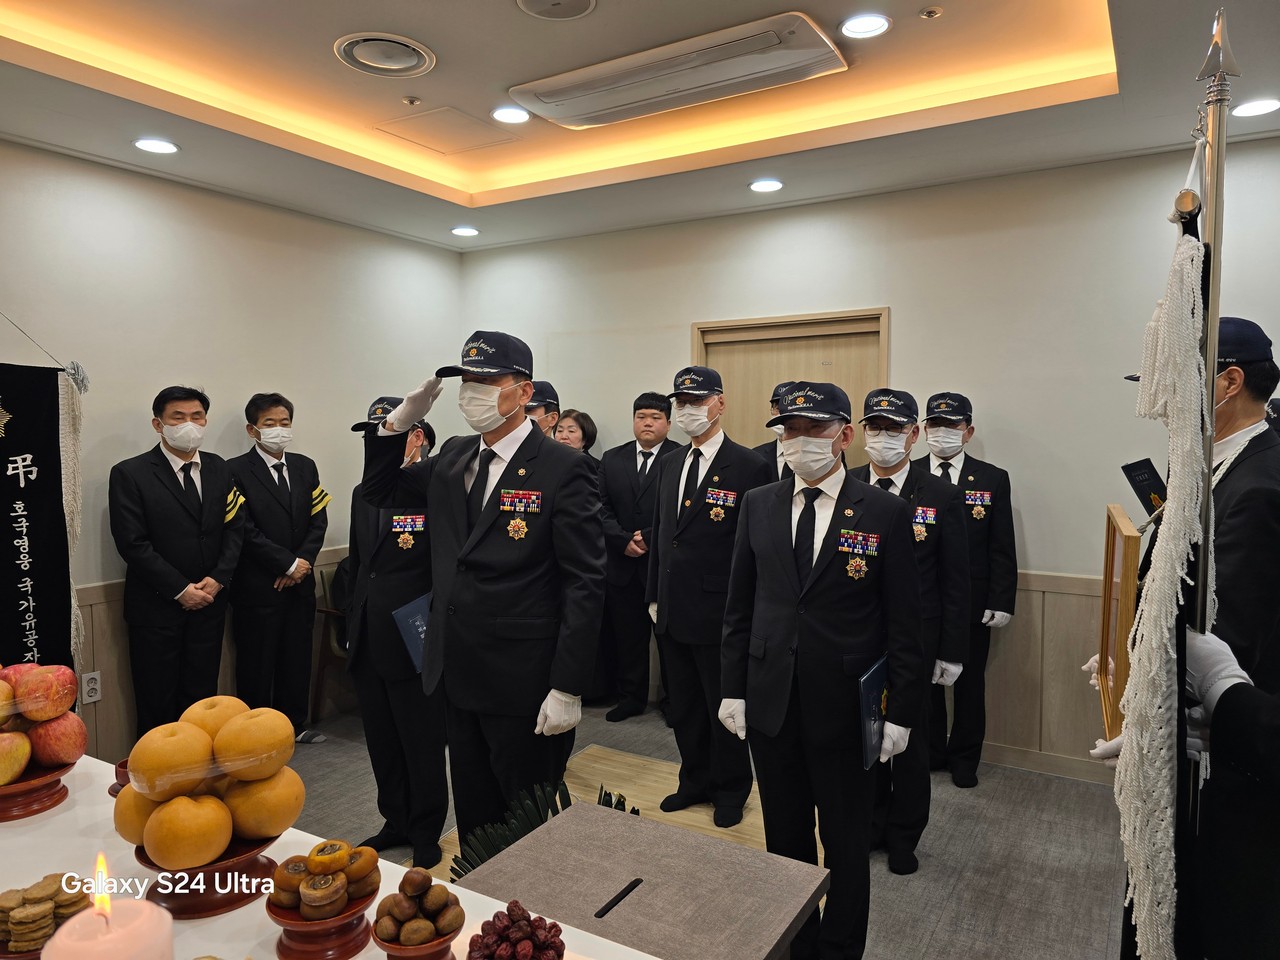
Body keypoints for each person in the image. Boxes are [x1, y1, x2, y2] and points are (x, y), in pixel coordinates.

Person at [361, 331, 605, 843]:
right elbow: (379, 490)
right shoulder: (454, 455)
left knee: (528, 820)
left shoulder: (565, 467)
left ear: (523, 390)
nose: (472, 392)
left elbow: (584, 581)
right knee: (476, 816)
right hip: (457, 668)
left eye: (487, 381)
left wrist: (568, 685)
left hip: (525, 675)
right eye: (467, 381)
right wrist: (396, 425)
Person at [720, 381, 923, 960]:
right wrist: (733, 689)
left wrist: (901, 713)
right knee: (784, 838)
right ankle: (796, 941)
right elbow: (740, 606)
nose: (800, 440)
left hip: (845, 709)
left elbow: (905, 625)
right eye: (790, 429)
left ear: (844, 435)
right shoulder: (758, 503)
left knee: (845, 842)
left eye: (814, 429)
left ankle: (839, 948)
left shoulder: (885, 511)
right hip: (771, 702)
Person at [851, 388, 969, 874]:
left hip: (917, 643)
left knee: (911, 745)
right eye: (874, 428)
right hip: (858, 641)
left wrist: (952, 650)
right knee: (865, 741)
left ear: (913, 433)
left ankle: (904, 836)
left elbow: (955, 580)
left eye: (894, 429)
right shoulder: (847, 485)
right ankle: (871, 825)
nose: (883, 437)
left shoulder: (940, 494)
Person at [645, 365, 769, 828]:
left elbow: (754, 548)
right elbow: (662, 534)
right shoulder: (671, 461)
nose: (687, 410)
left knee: (724, 708)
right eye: (681, 403)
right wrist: (653, 593)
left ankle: (731, 788)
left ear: (720, 403)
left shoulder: (750, 465)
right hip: (671, 608)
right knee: (684, 707)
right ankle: (694, 779)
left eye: (696, 401)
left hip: (721, 613)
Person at [345, 401, 448, 868]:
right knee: (382, 740)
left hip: (415, 634)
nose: (379, 445)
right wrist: (353, 624)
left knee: (420, 739)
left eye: (391, 435)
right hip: (369, 634)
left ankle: (426, 829)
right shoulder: (362, 492)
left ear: (418, 437)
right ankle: (395, 820)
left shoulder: (435, 488)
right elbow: (358, 565)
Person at [108, 386, 245, 737]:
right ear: (158, 424)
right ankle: (159, 768)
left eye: (196, 416)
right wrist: (181, 589)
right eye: (178, 417)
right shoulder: (130, 473)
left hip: (210, 603)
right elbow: (132, 543)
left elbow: (234, 527)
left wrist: (219, 578)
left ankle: (199, 766)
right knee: (156, 700)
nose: (189, 424)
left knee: (201, 698)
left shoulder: (219, 468)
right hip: (156, 608)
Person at [920, 392, 1017, 787]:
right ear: (924, 428)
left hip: (975, 602)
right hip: (925, 598)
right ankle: (931, 752)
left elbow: (1001, 544)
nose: (942, 432)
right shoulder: (911, 475)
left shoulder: (992, 477)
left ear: (968, 431)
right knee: (925, 681)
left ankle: (964, 759)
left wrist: (1001, 598)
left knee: (969, 683)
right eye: (935, 424)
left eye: (952, 425)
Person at [227, 392, 330, 742]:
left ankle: (295, 726)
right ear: (252, 429)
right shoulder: (234, 470)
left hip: (300, 583)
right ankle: (256, 735)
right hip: (258, 585)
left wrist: (302, 563)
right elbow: (242, 528)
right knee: (256, 662)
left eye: (284, 422)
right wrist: (285, 563)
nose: (279, 429)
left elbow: (318, 519)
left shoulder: (305, 466)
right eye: (269, 423)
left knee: (297, 656)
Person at [1202, 317, 1280, 692]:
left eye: (1181, 384)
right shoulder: (1213, 460)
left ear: (1230, 382)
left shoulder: (1259, 487)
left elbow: (1230, 636)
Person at [597, 392, 682, 722]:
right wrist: (622, 540)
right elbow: (599, 507)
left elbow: (681, 510)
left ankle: (674, 703)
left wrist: (648, 537)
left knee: (668, 640)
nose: (647, 423)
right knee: (628, 638)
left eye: (655, 417)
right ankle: (631, 698)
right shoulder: (611, 458)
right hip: (622, 564)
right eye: (641, 416)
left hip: (662, 566)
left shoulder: (681, 457)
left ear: (668, 424)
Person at [752, 381, 796, 482]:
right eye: (778, 408)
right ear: (771, 411)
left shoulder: (816, 457)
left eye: (788, 408)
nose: (782, 415)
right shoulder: (755, 456)